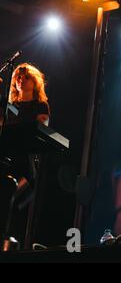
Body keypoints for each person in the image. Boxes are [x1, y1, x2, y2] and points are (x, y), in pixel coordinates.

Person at [0, 63, 50, 240]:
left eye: (25, 77)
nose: (21, 80)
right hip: (5, 159)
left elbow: (40, 131)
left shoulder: (41, 106)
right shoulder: (8, 106)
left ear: (34, 81)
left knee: (10, 200)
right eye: (18, 77)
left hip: (24, 163)